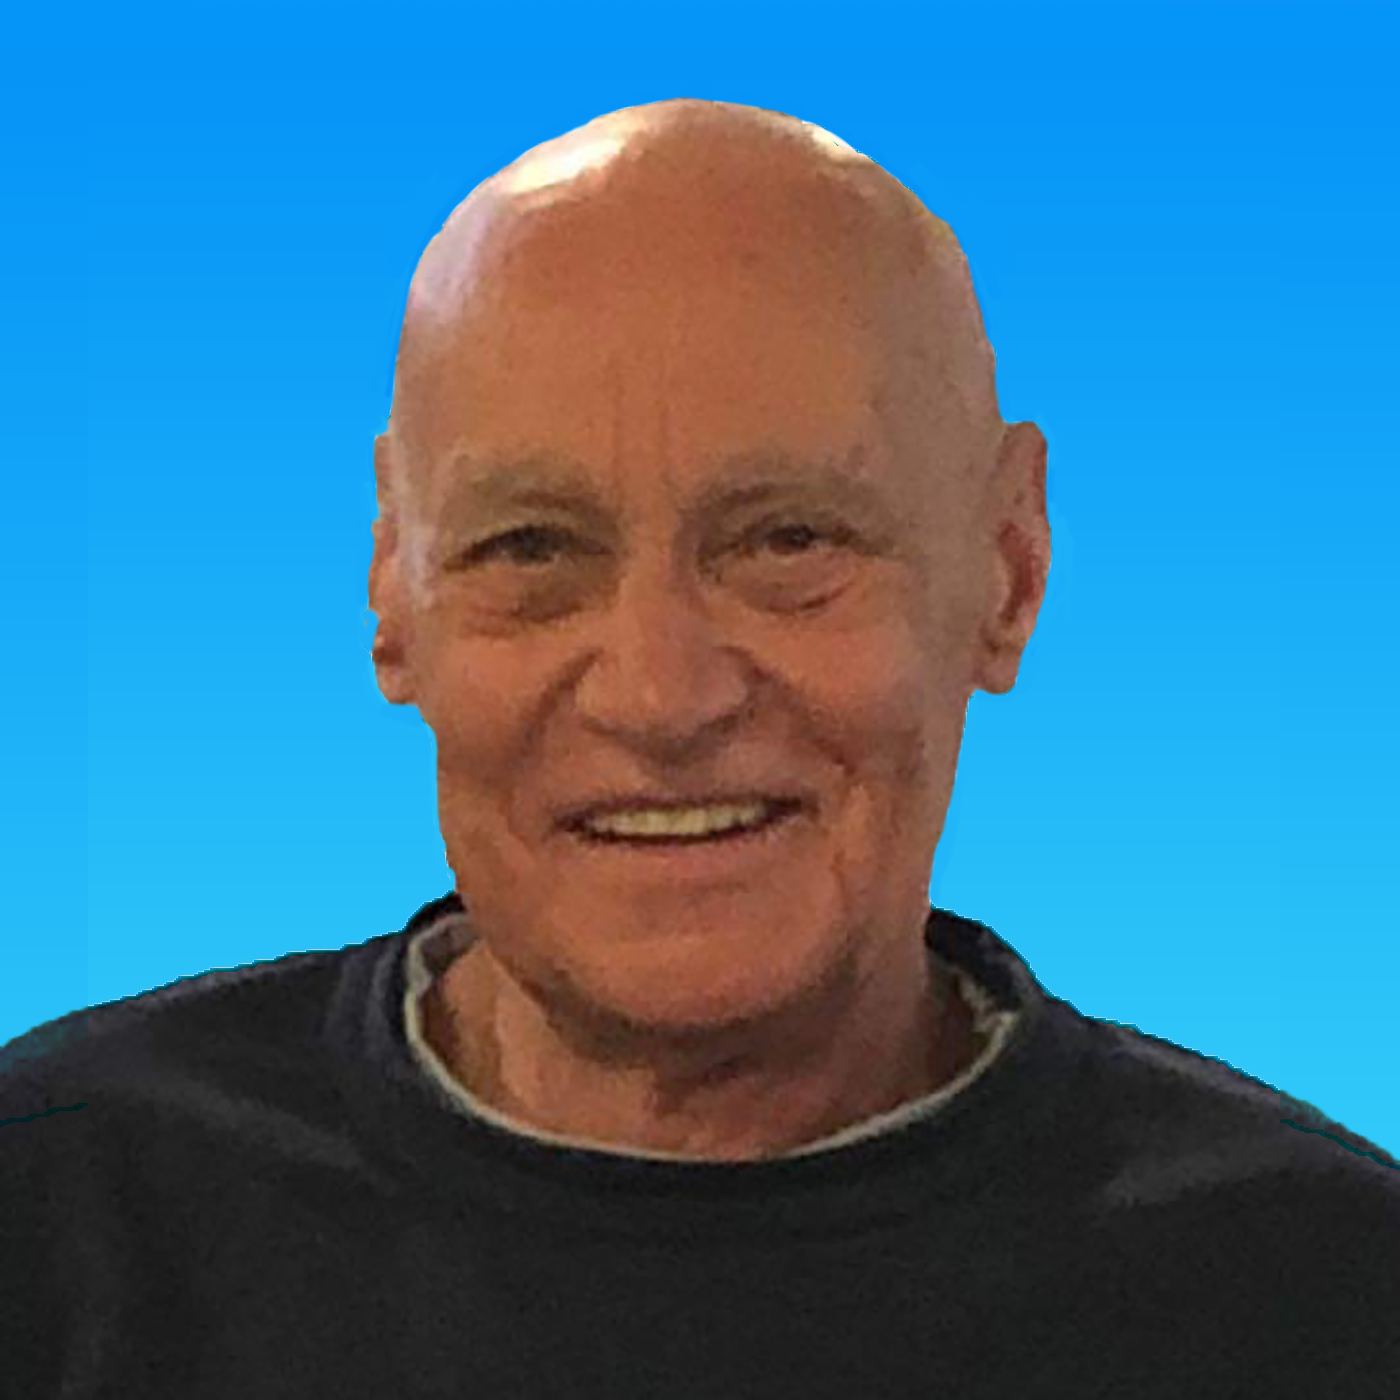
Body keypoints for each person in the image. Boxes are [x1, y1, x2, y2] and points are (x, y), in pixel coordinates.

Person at [3, 99, 1395, 1398]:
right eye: (530, 549)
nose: (660, 697)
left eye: (789, 541)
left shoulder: (1328, 1299)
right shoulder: (55, 1218)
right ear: (394, 596)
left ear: (1009, 570)